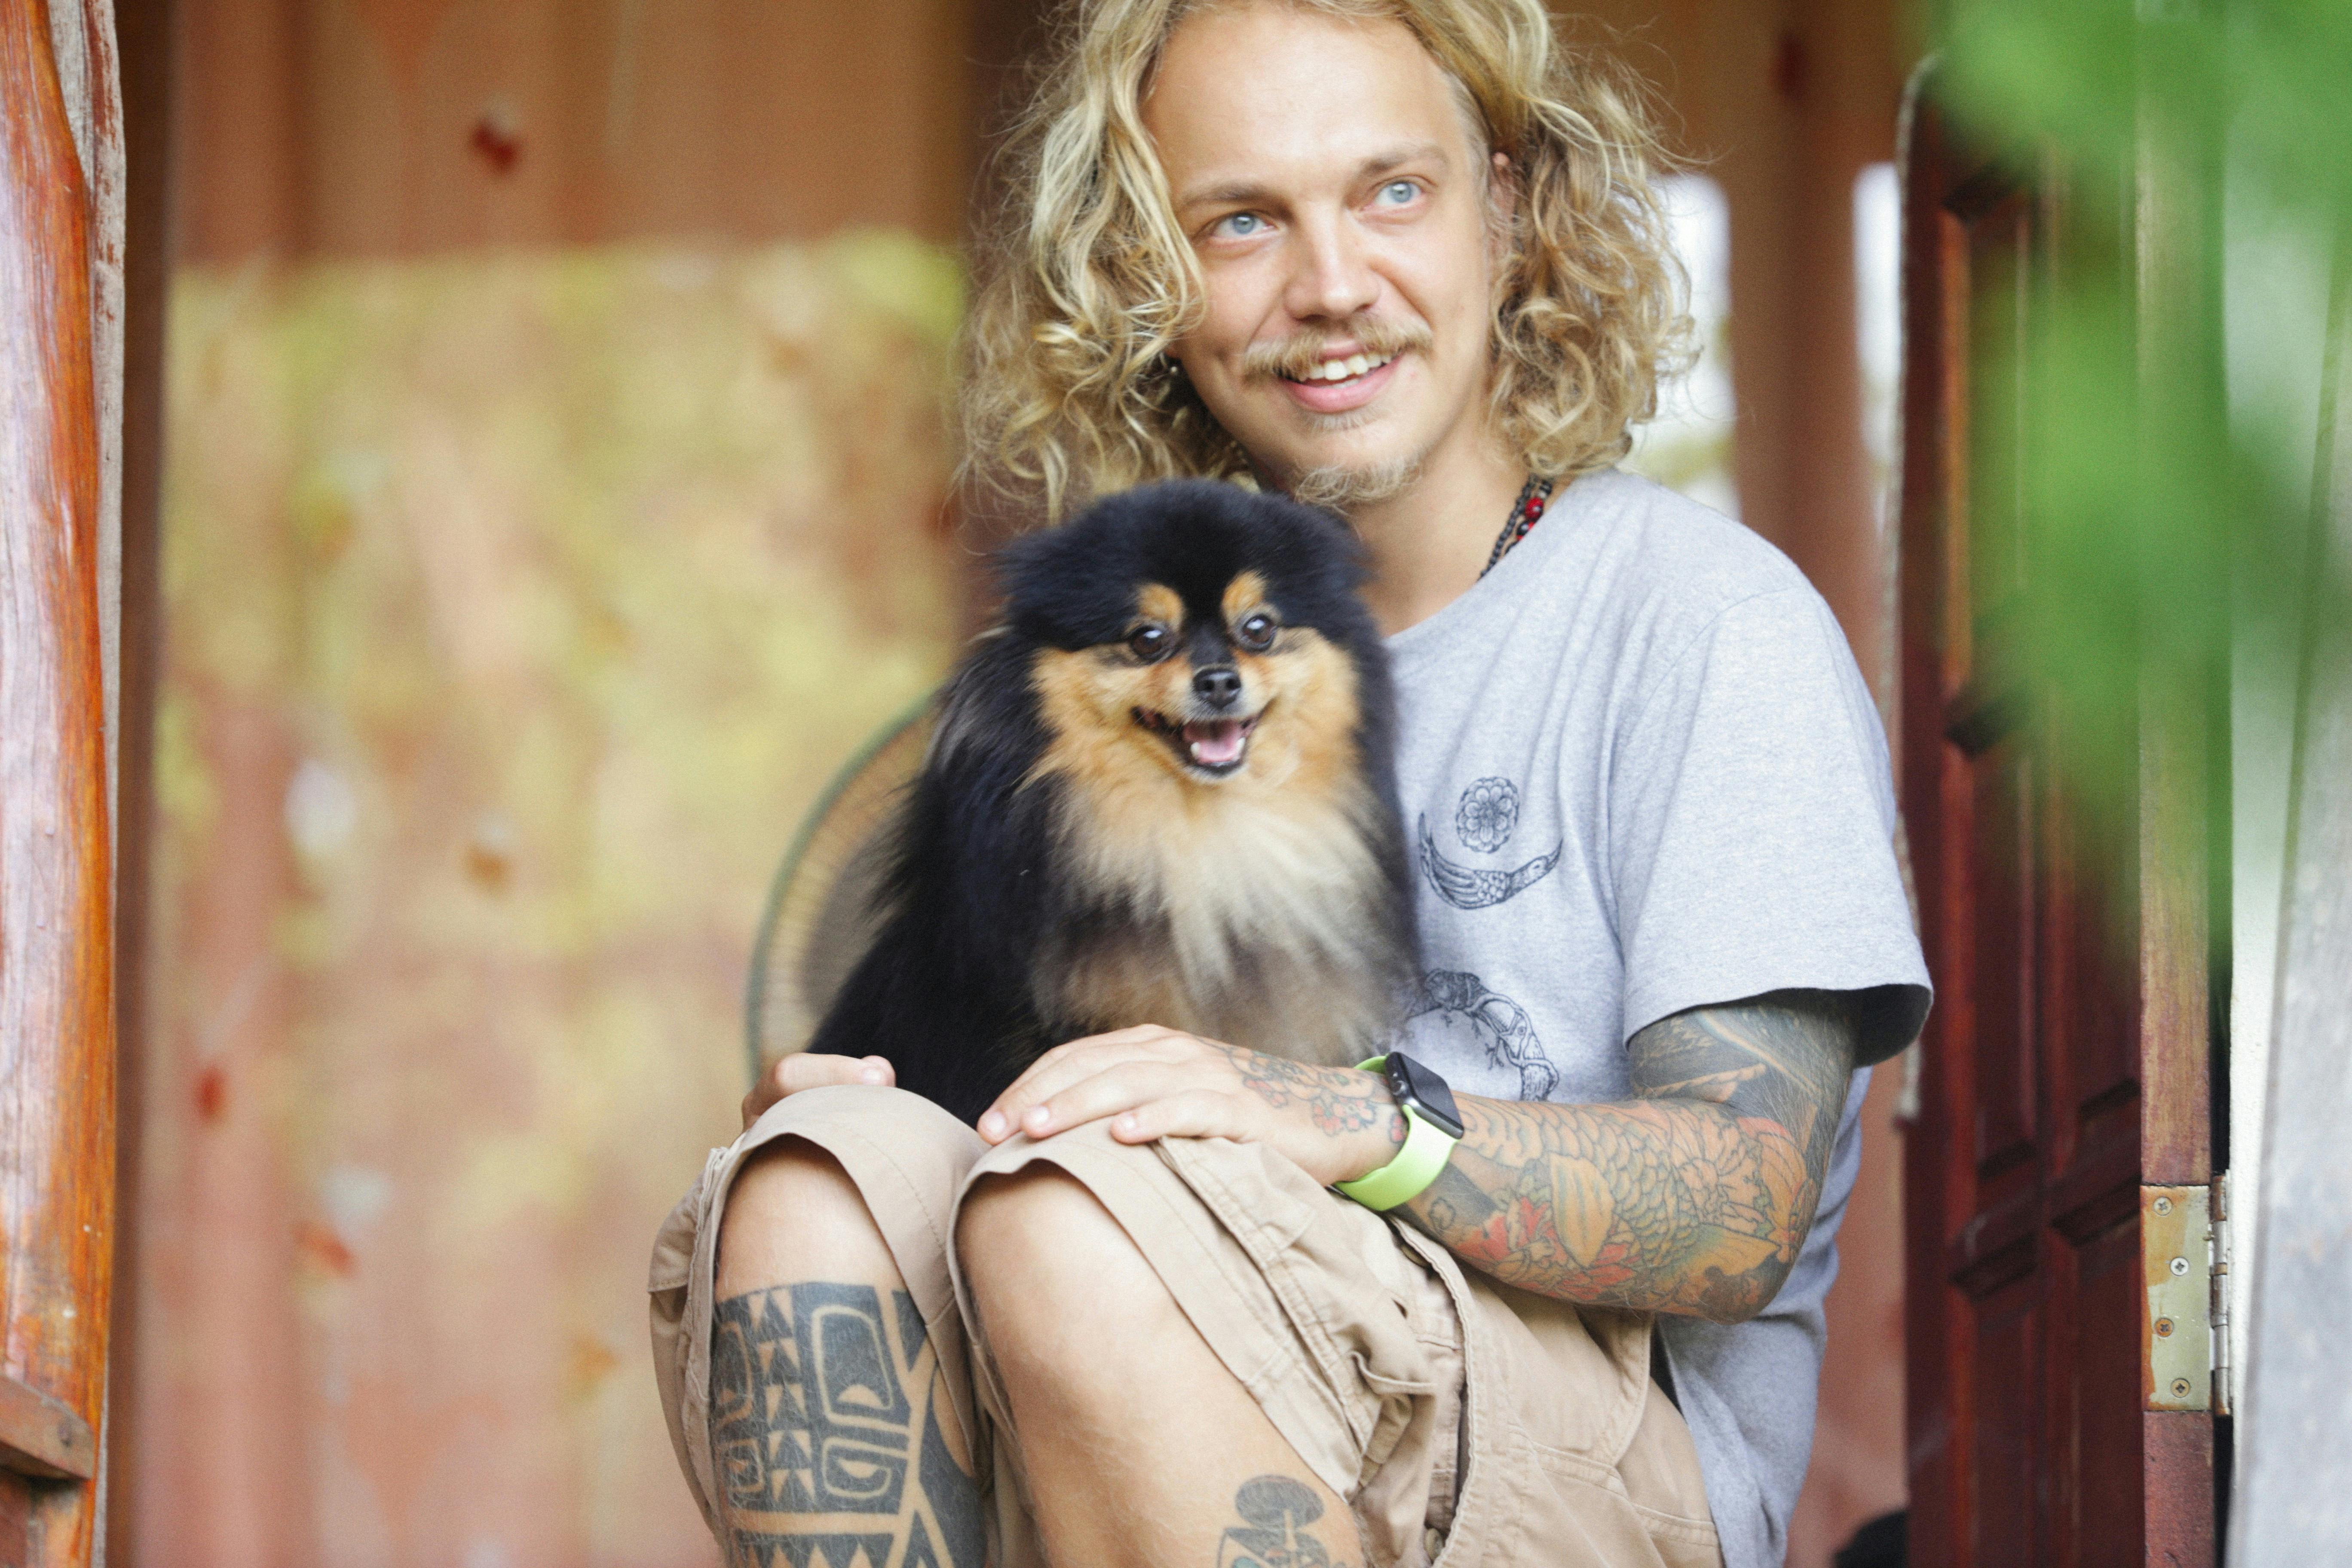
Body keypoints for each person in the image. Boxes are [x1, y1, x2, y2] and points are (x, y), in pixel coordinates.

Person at [649, 2, 1929, 1565]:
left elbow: (1741, 1208)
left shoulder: (1700, 626)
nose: (1331, 289)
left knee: (1076, 1219)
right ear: (1148, 275)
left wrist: (1329, 1114)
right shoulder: (1107, 679)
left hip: (1582, 1466)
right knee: (810, 1202)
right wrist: (877, 1099)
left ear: (1508, 210)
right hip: (1151, 1355)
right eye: (1242, 219)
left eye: (1393, 190)